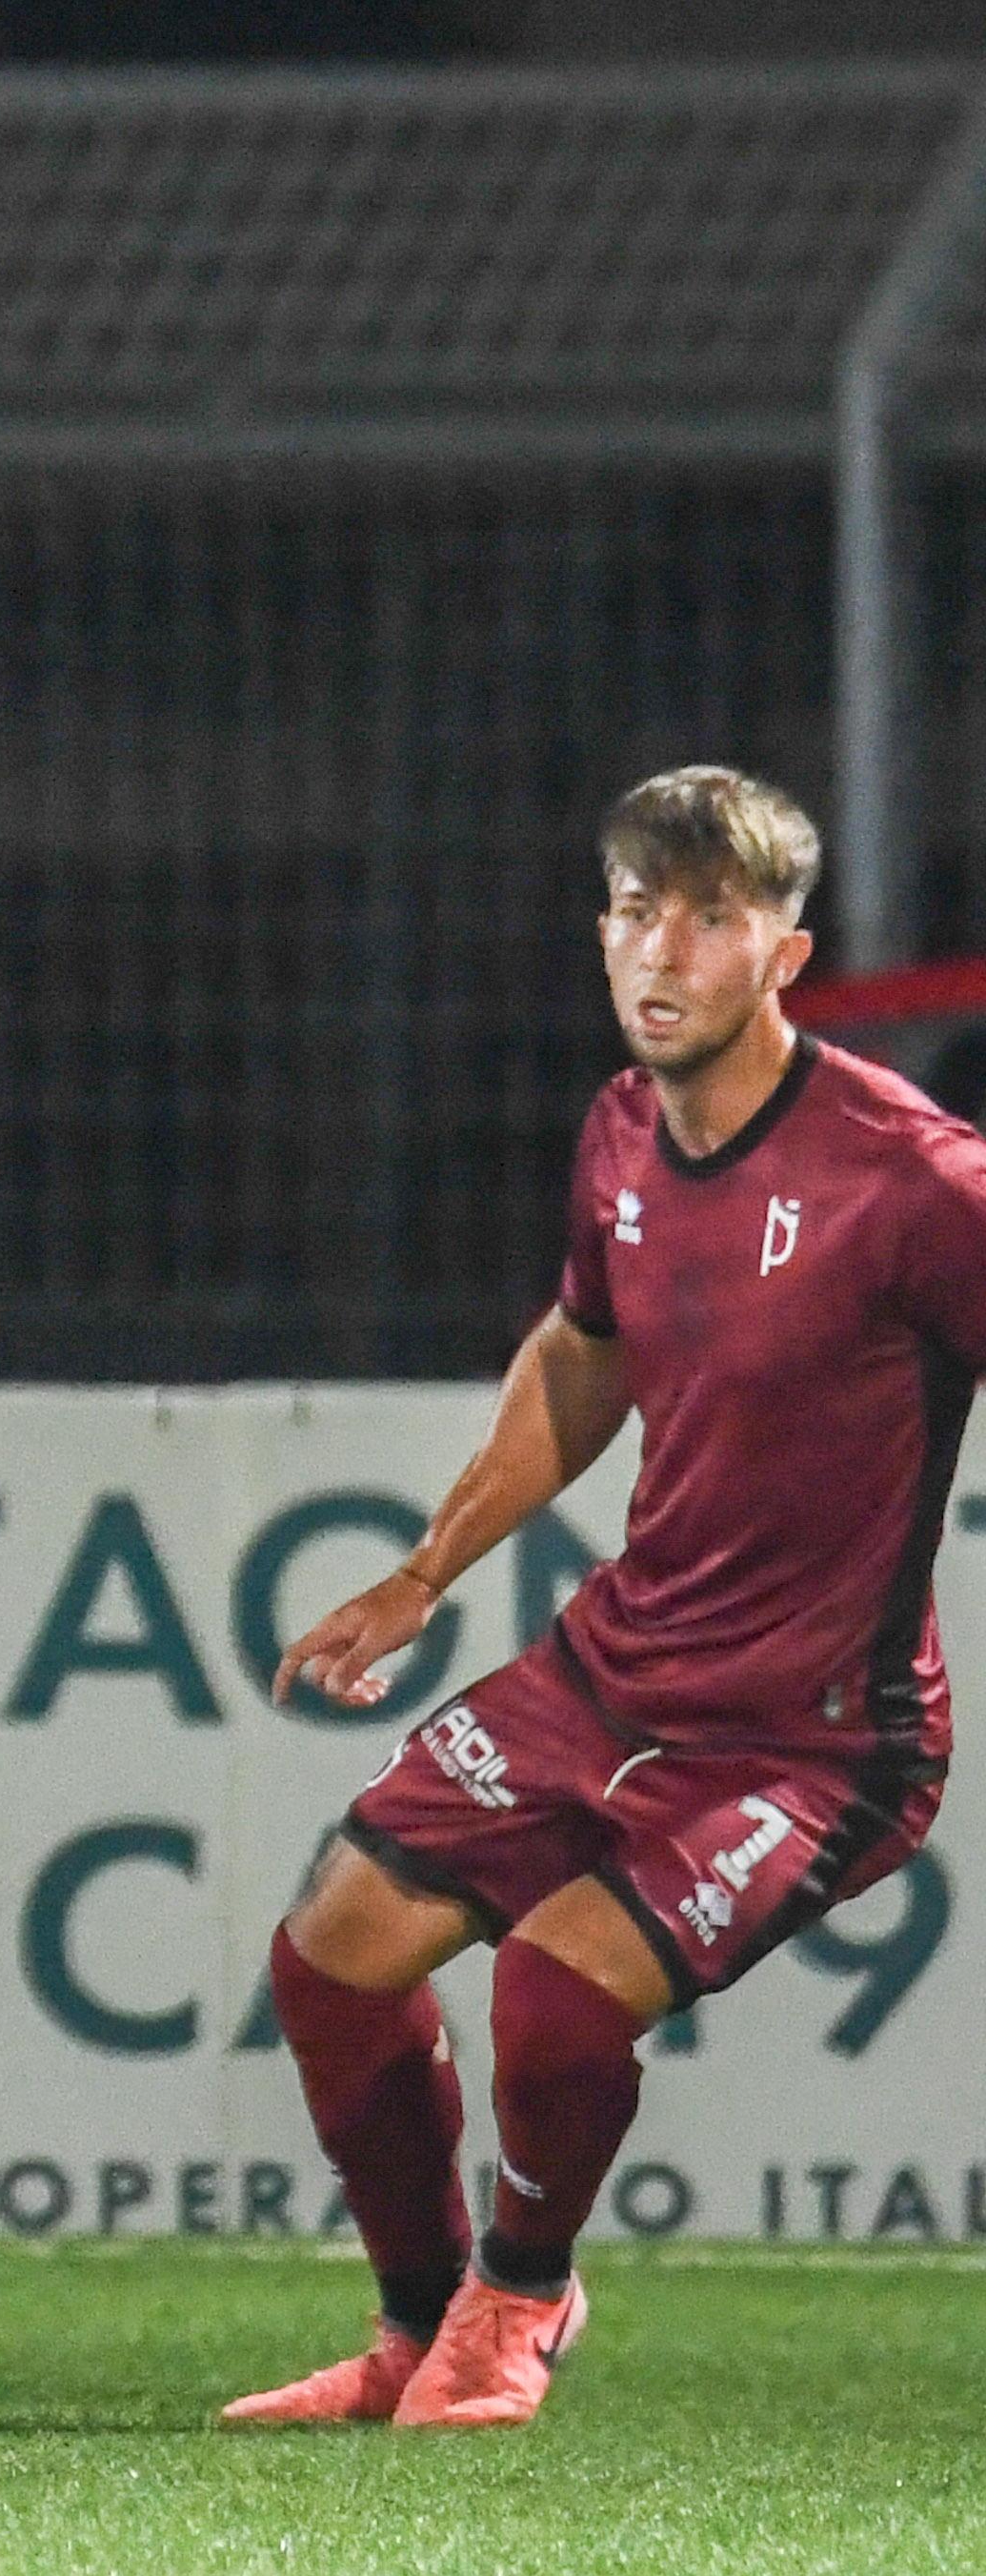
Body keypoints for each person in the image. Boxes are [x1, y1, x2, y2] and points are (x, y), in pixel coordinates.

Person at [232, 765, 986, 2430]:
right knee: (334, 1959)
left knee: (553, 1991)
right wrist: (430, 1572)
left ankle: (519, 2300)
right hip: (616, 1669)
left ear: (786, 956)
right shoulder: (622, 1133)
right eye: (640, 912)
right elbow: (584, 1358)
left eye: (713, 918)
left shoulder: (917, 1181)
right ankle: (419, 2331)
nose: (666, 950)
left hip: (821, 1741)